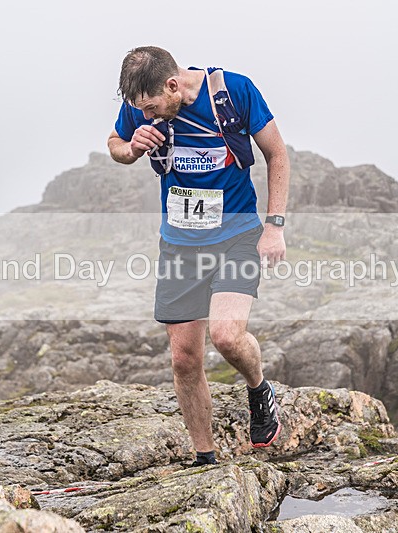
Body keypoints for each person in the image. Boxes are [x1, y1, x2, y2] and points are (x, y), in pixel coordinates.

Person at [107, 47, 290, 466]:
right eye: (140, 110)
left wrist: (275, 226)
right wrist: (131, 148)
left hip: (237, 236)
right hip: (179, 244)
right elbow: (114, 143)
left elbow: (277, 153)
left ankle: (259, 387)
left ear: (173, 85)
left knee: (226, 336)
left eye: (152, 108)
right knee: (184, 359)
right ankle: (204, 459)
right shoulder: (141, 103)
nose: (146, 116)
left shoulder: (235, 91)